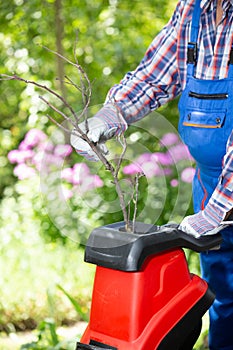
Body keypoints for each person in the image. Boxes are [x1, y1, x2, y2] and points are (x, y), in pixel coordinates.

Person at [70, 0, 233, 348]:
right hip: (210, 186)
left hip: (226, 195)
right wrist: (110, 115)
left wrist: (221, 210)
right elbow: (154, 75)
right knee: (224, 298)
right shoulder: (194, 10)